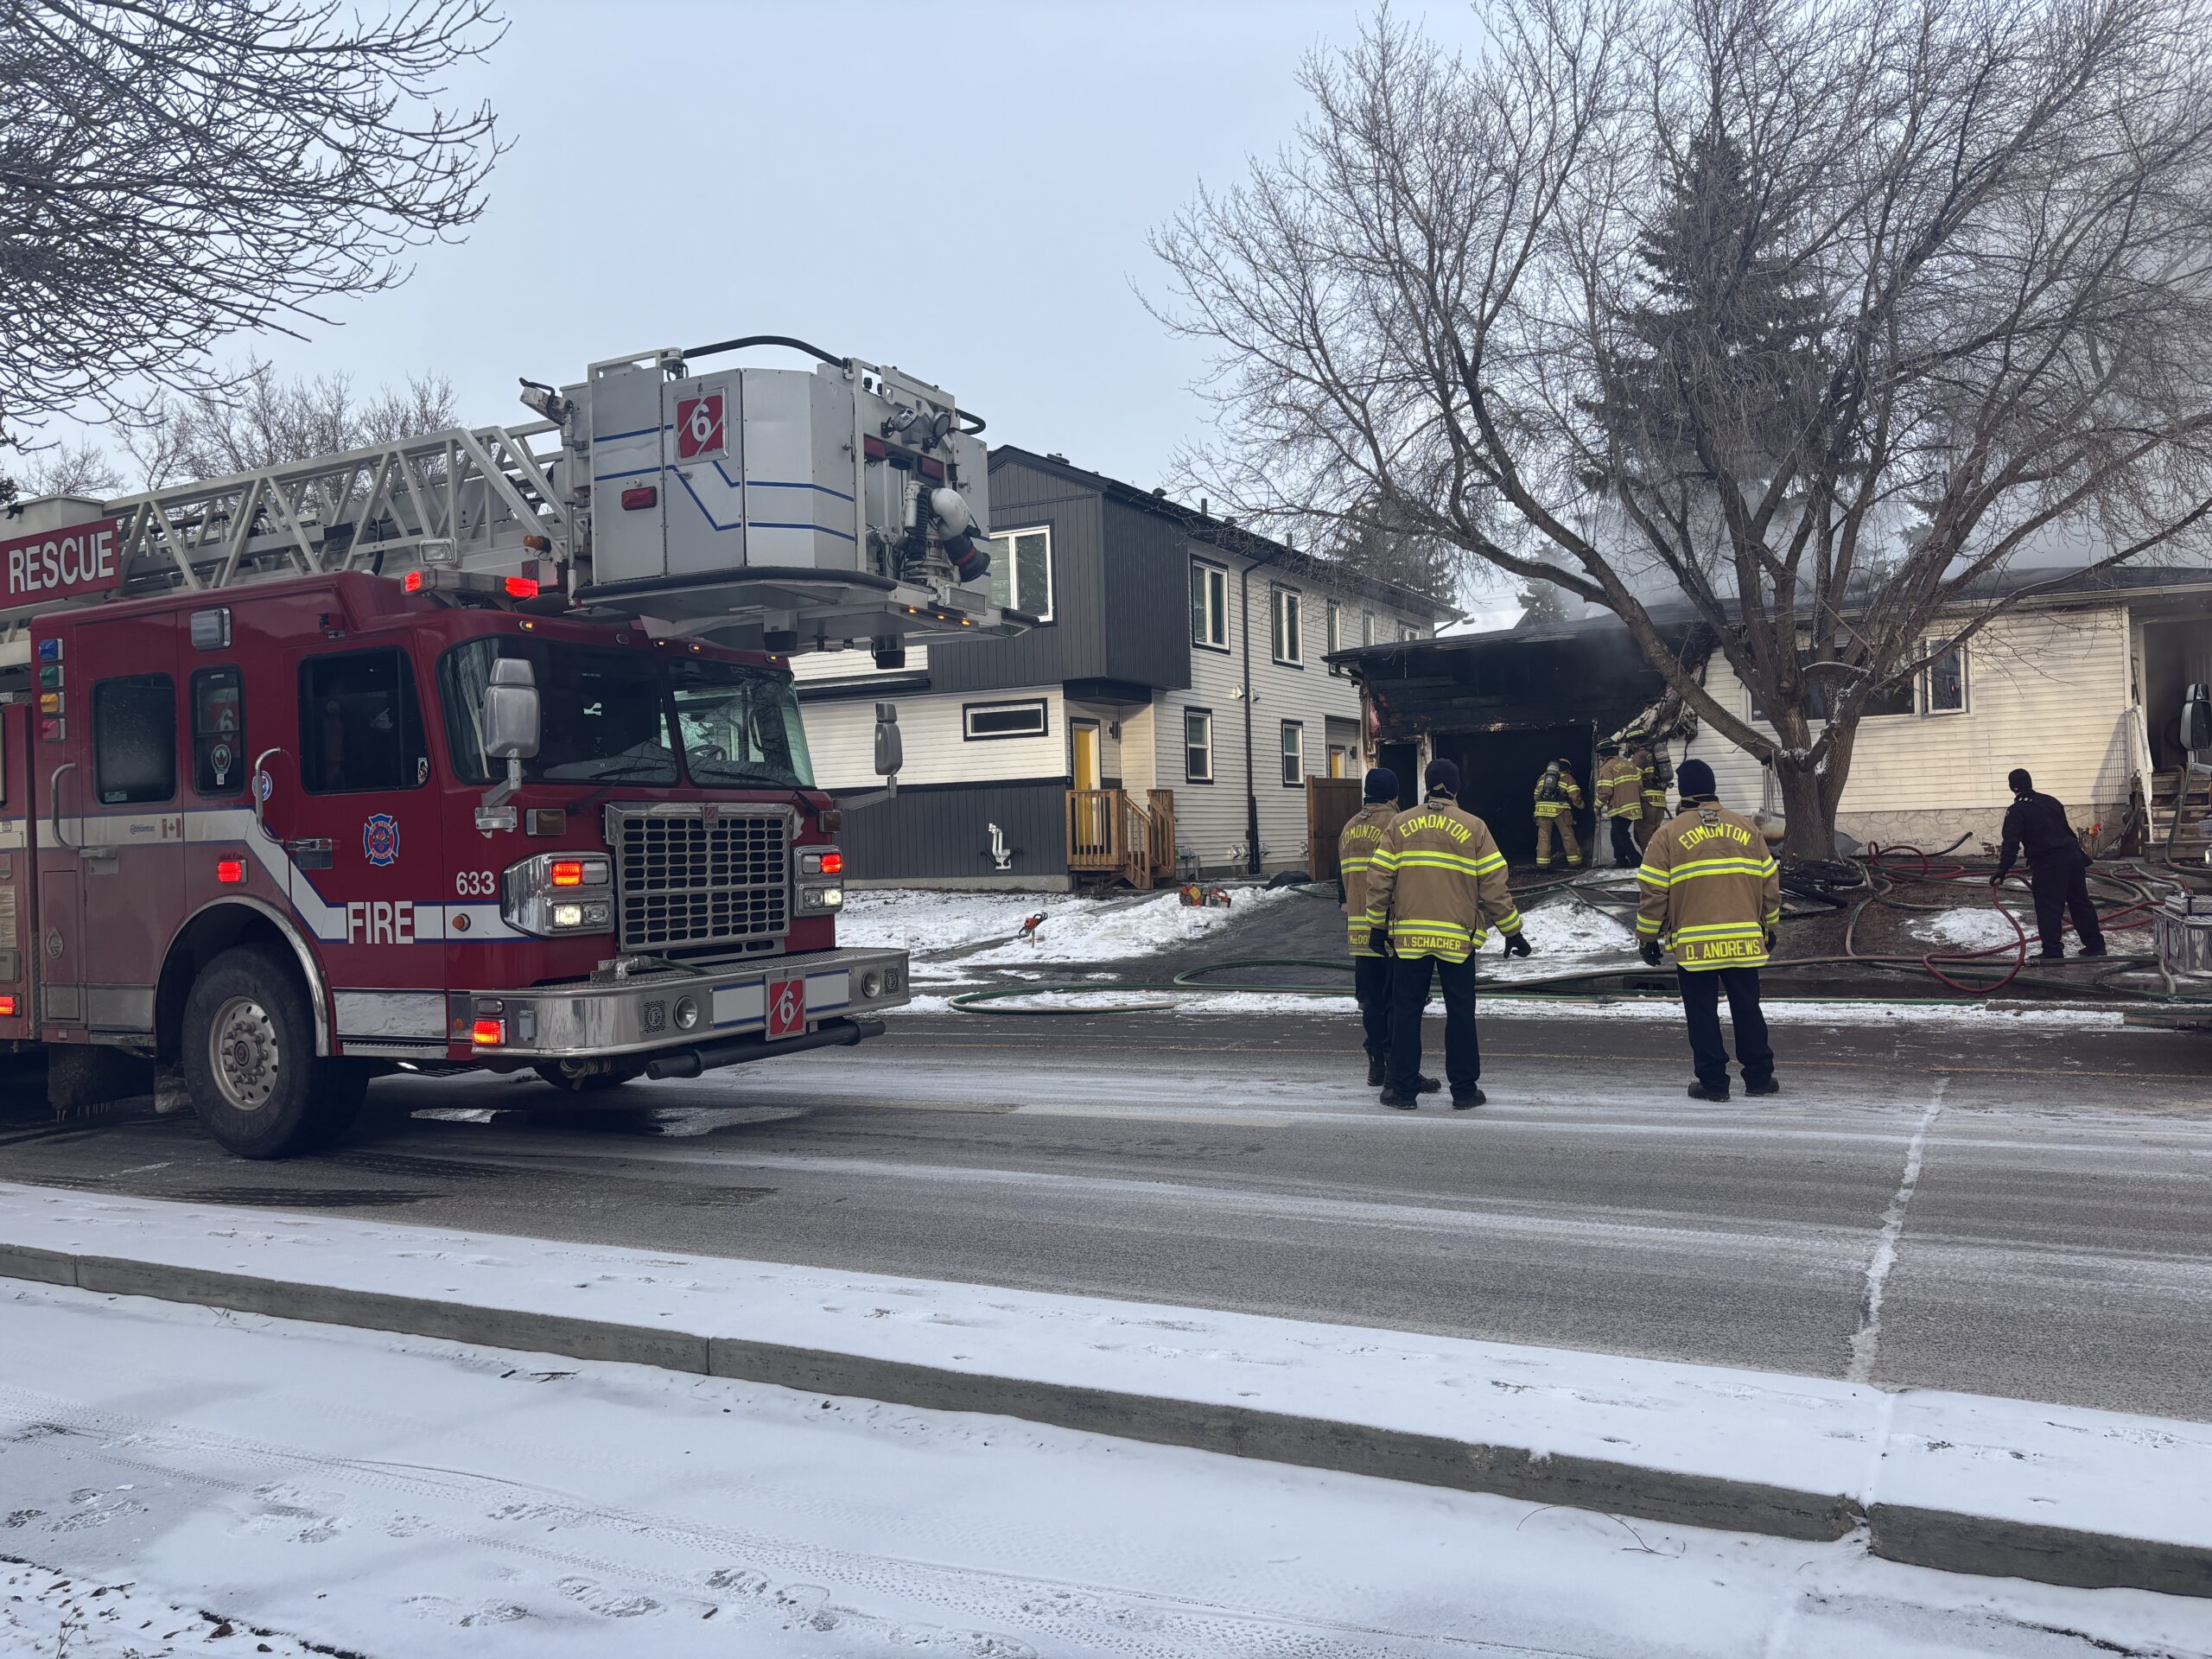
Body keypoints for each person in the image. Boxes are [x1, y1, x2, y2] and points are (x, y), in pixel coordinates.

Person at [1363, 759, 1530, 1110]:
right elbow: (1494, 887)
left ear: (1426, 784)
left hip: (1409, 939)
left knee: (1407, 1013)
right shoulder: (1474, 827)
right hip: (1457, 939)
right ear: (1455, 787)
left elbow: (1379, 880)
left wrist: (1377, 926)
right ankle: (1465, 1091)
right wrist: (1512, 931)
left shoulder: (1400, 823)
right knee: (1461, 1013)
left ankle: (1403, 1090)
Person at [1636, 758, 1783, 1102]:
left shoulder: (1667, 834)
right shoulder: (1747, 829)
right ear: (1713, 788)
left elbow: (1653, 892)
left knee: (1701, 1013)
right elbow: (1769, 883)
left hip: (1696, 946)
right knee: (1748, 1008)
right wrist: (1770, 926)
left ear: (1684, 792)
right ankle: (1760, 1078)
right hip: (1745, 942)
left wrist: (1647, 938)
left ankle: (1714, 1083)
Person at [1338, 766, 1434, 1093]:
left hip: (1359, 932)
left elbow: (1343, 882)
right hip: (1391, 929)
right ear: (1394, 795)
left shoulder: (1349, 828)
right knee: (1399, 1000)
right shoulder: (1398, 824)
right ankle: (1399, 1068)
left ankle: (1376, 1065)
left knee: (1371, 1000)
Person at [1992, 768, 2106, 960]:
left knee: (2048, 907)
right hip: (2073, 858)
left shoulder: (2017, 810)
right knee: (2080, 904)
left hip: (2049, 863)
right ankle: (2095, 945)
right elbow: (2064, 830)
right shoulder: (2050, 801)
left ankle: (2052, 951)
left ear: (2012, 787)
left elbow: (2010, 842)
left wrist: (2003, 869)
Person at [1593, 742, 1644, 868]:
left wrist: (1597, 806)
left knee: (1621, 835)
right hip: (1634, 807)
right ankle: (1620, 860)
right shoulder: (1630, 765)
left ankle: (1638, 862)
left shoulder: (1607, 767)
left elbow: (1606, 790)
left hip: (1620, 807)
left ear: (1603, 755)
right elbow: (1640, 786)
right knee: (1616, 833)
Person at [1531, 758, 1586, 869]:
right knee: (1567, 836)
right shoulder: (1567, 777)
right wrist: (1581, 806)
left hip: (1542, 811)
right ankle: (1575, 862)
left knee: (1544, 838)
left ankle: (1542, 864)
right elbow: (1574, 796)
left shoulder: (1543, 777)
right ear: (1567, 768)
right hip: (1560, 810)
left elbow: (1536, 796)